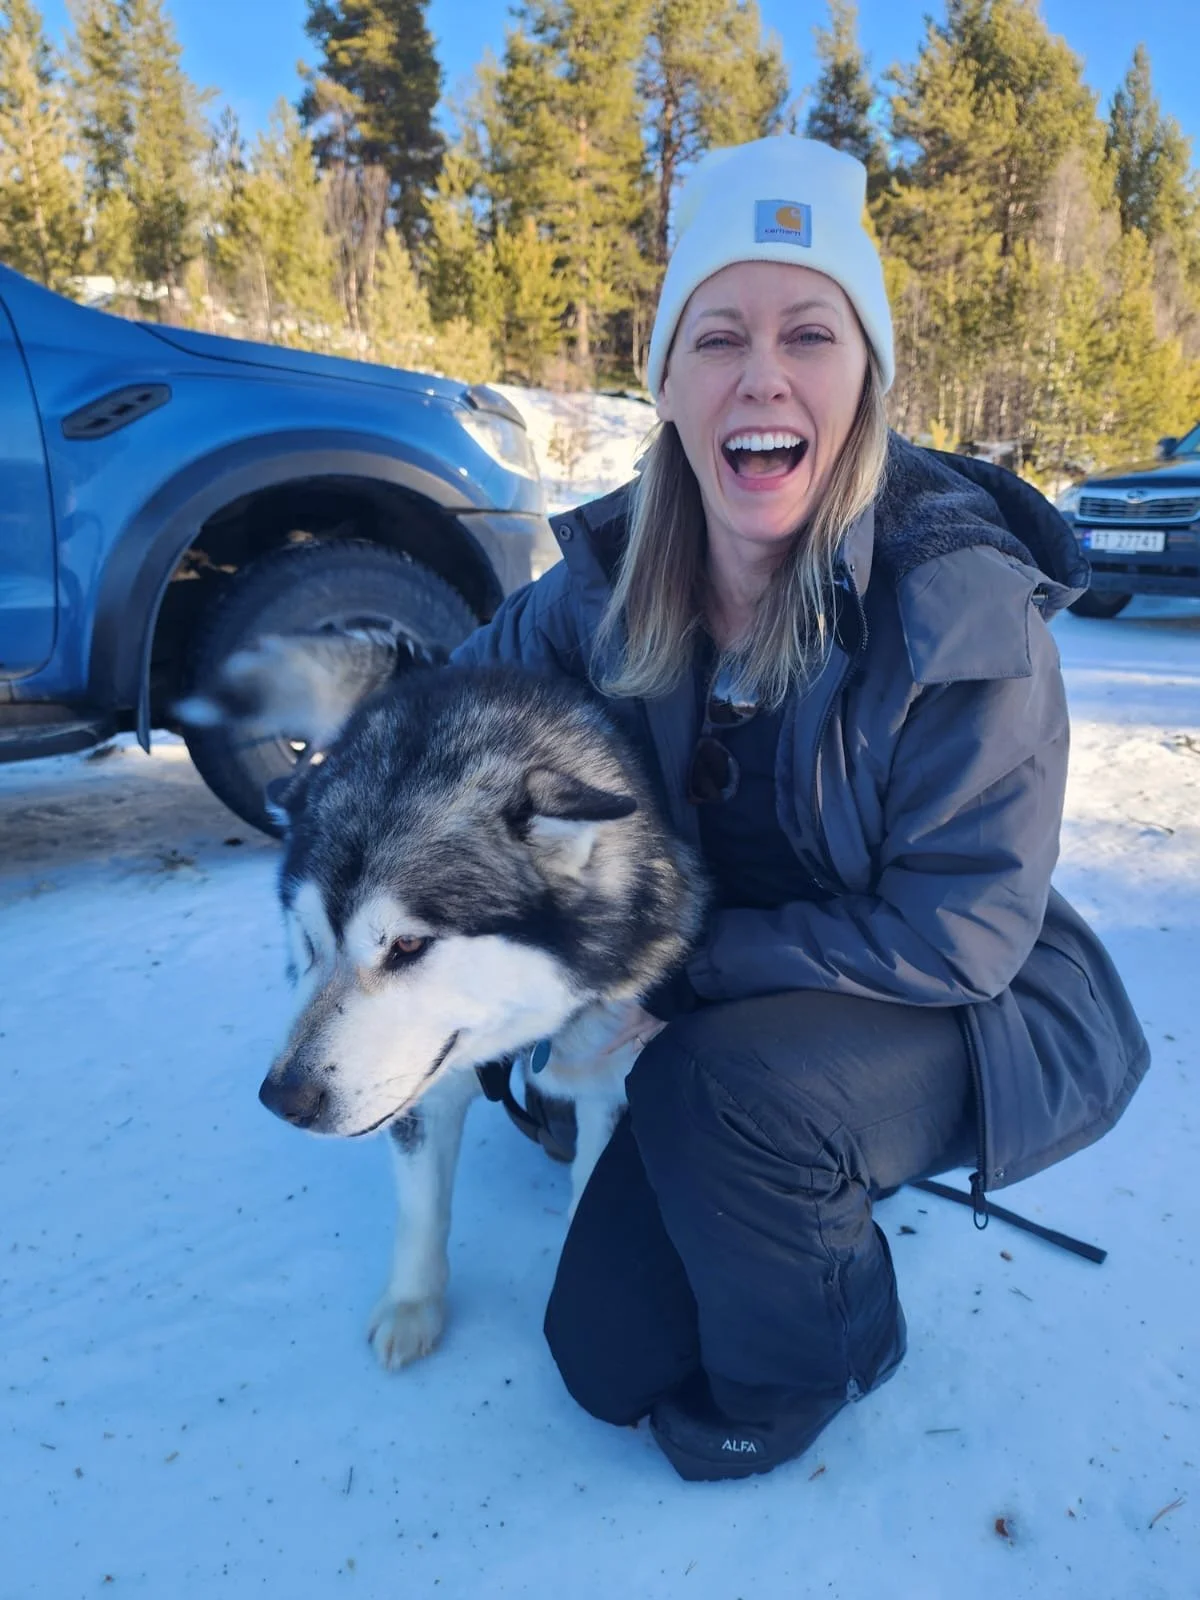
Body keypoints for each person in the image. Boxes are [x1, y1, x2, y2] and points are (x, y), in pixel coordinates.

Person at [453, 136, 1149, 1482]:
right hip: (732, 1036)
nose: (761, 373)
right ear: (665, 382)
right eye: (717, 336)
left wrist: (673, 973)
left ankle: (839, 1342)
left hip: (960, 1012)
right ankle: (782, 1184)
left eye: (808, 334)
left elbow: (961, 937)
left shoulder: (961, 607)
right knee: (604, 1359)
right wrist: (361, 811)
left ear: (863, 380)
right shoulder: (606, 584)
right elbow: (459, 717)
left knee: (724, 1093)